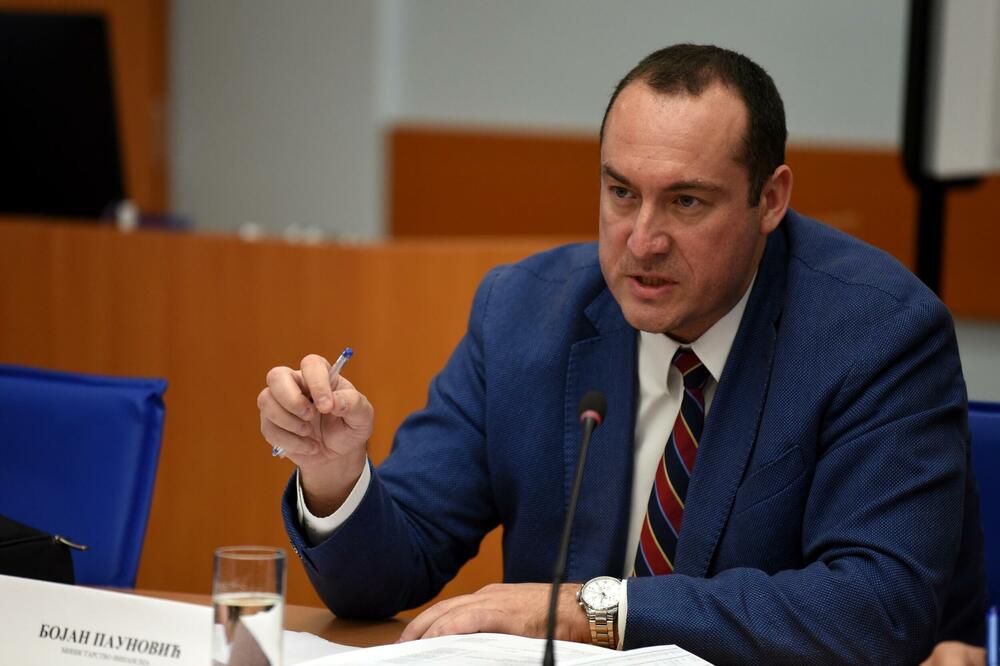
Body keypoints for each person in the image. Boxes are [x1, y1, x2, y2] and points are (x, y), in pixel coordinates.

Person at [257, 44, 987, 663]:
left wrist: (590, 611)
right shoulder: (522, 314)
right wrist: (335, 475)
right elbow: (383, 578)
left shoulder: (876, 334)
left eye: (687, 201)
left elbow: (876, 607)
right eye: (621, 193)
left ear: (770, 199)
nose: (642, 240)